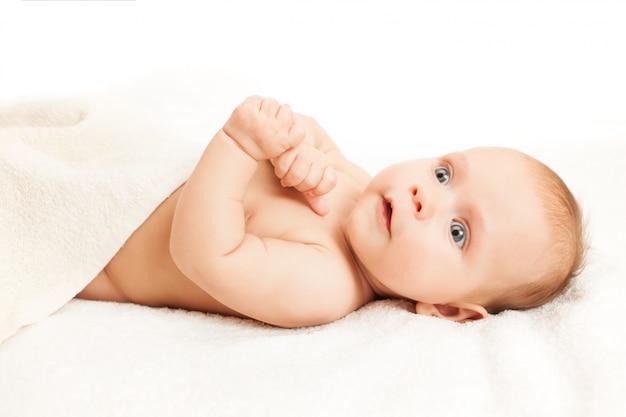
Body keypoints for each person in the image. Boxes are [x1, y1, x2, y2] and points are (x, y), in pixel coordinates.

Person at [76, 96, 586, 327]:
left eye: (457, 232)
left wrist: (239, 144)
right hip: (127, 173)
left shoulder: (326, 283)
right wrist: (292, 146)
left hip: (99, 247)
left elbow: (200, 253)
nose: (424, 197)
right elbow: (313, 135)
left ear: (448, 308)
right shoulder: (365, 187)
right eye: (444, 174)